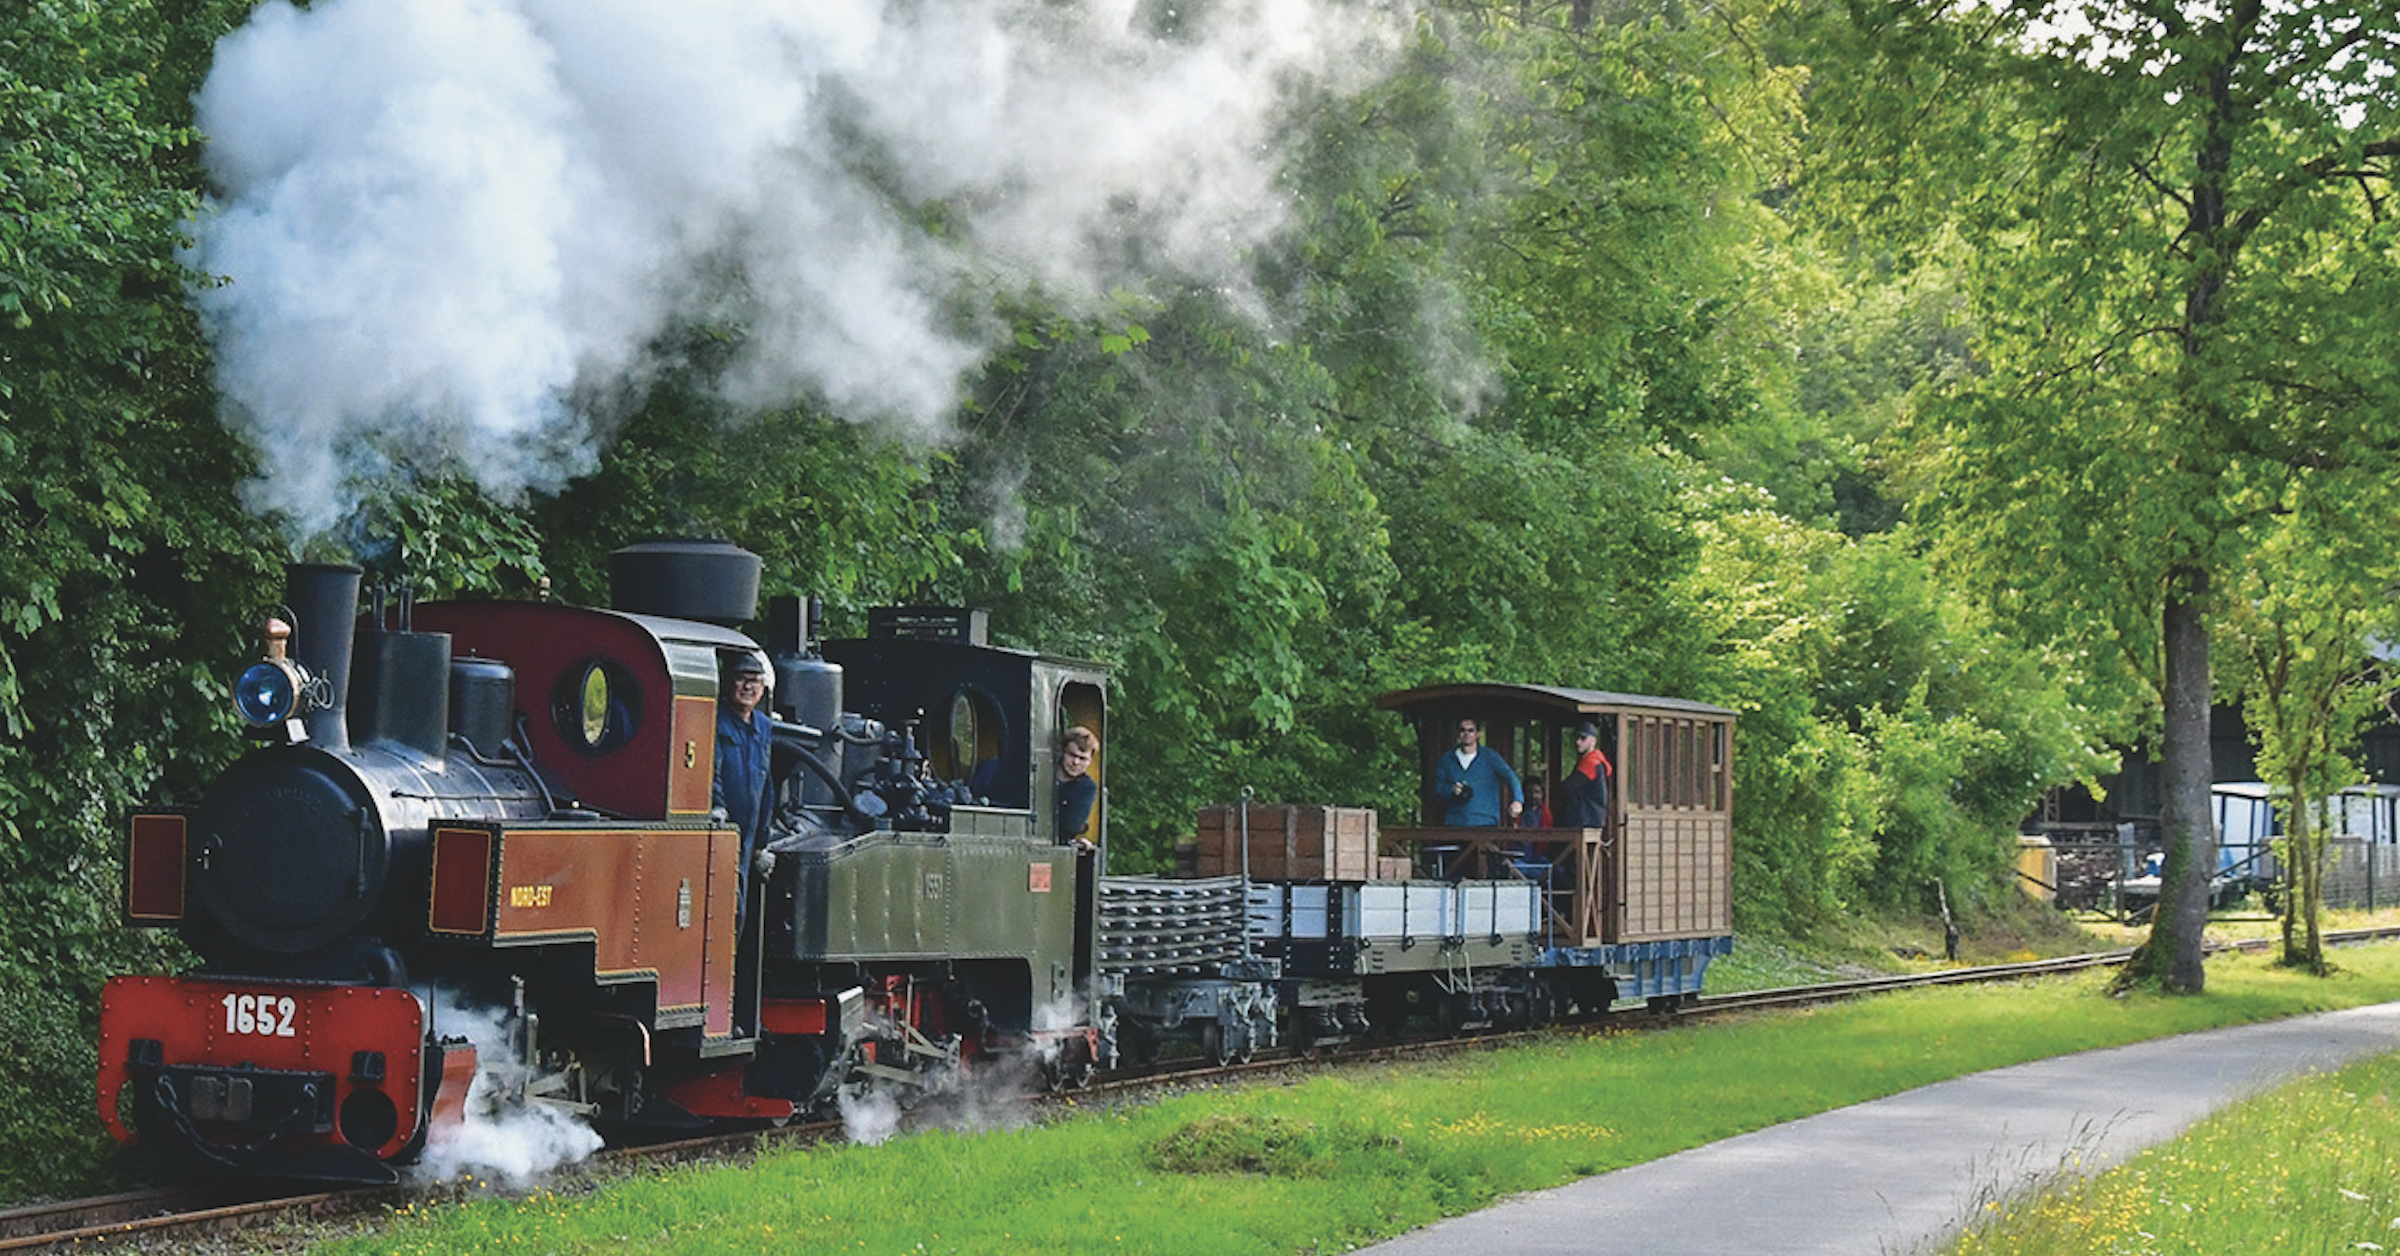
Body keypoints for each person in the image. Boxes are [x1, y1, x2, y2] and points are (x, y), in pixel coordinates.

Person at [713, 654, 775, 922]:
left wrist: (762, 841)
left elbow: (766, 783)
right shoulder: (716, 720)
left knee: (740, 911)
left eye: (755, 681)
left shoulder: (763, 726)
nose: (748, 687)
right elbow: (712, 770)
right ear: (729, 683)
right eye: (742, 679)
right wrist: (717, 806)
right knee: (725, 906)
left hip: (748, 836)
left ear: (763, 688)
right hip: (723, 827)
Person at [1433, 717, 1523, 827]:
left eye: (1471, 730)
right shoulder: (1447, 759)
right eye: (1462, 730)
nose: (1466, 734)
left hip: (1486, 821)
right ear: (1458, 733)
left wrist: (1518, 800)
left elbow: (1511, 777)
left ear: (1477, 734)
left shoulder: (1490, 757)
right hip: (1455, 822)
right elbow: (1438, 787)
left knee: (1485, 845)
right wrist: (1451, 790)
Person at [1556, 721, 1612, 829]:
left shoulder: (1591, 762)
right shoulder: (1597, 761)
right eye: (1576, 738)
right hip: (1593, 818)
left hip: (1585, 819)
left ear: (1593, 741)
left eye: (1583, 738)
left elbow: (1568, 788)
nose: (1578, 742)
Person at [1056, 725, 1099, 852]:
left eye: (1082, 758)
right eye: (1072, 755)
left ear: (1090, 761)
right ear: (1063, 751)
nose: (1075, 762)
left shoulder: (1087, 787)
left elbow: (1071, 826)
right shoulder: (1039, 773)